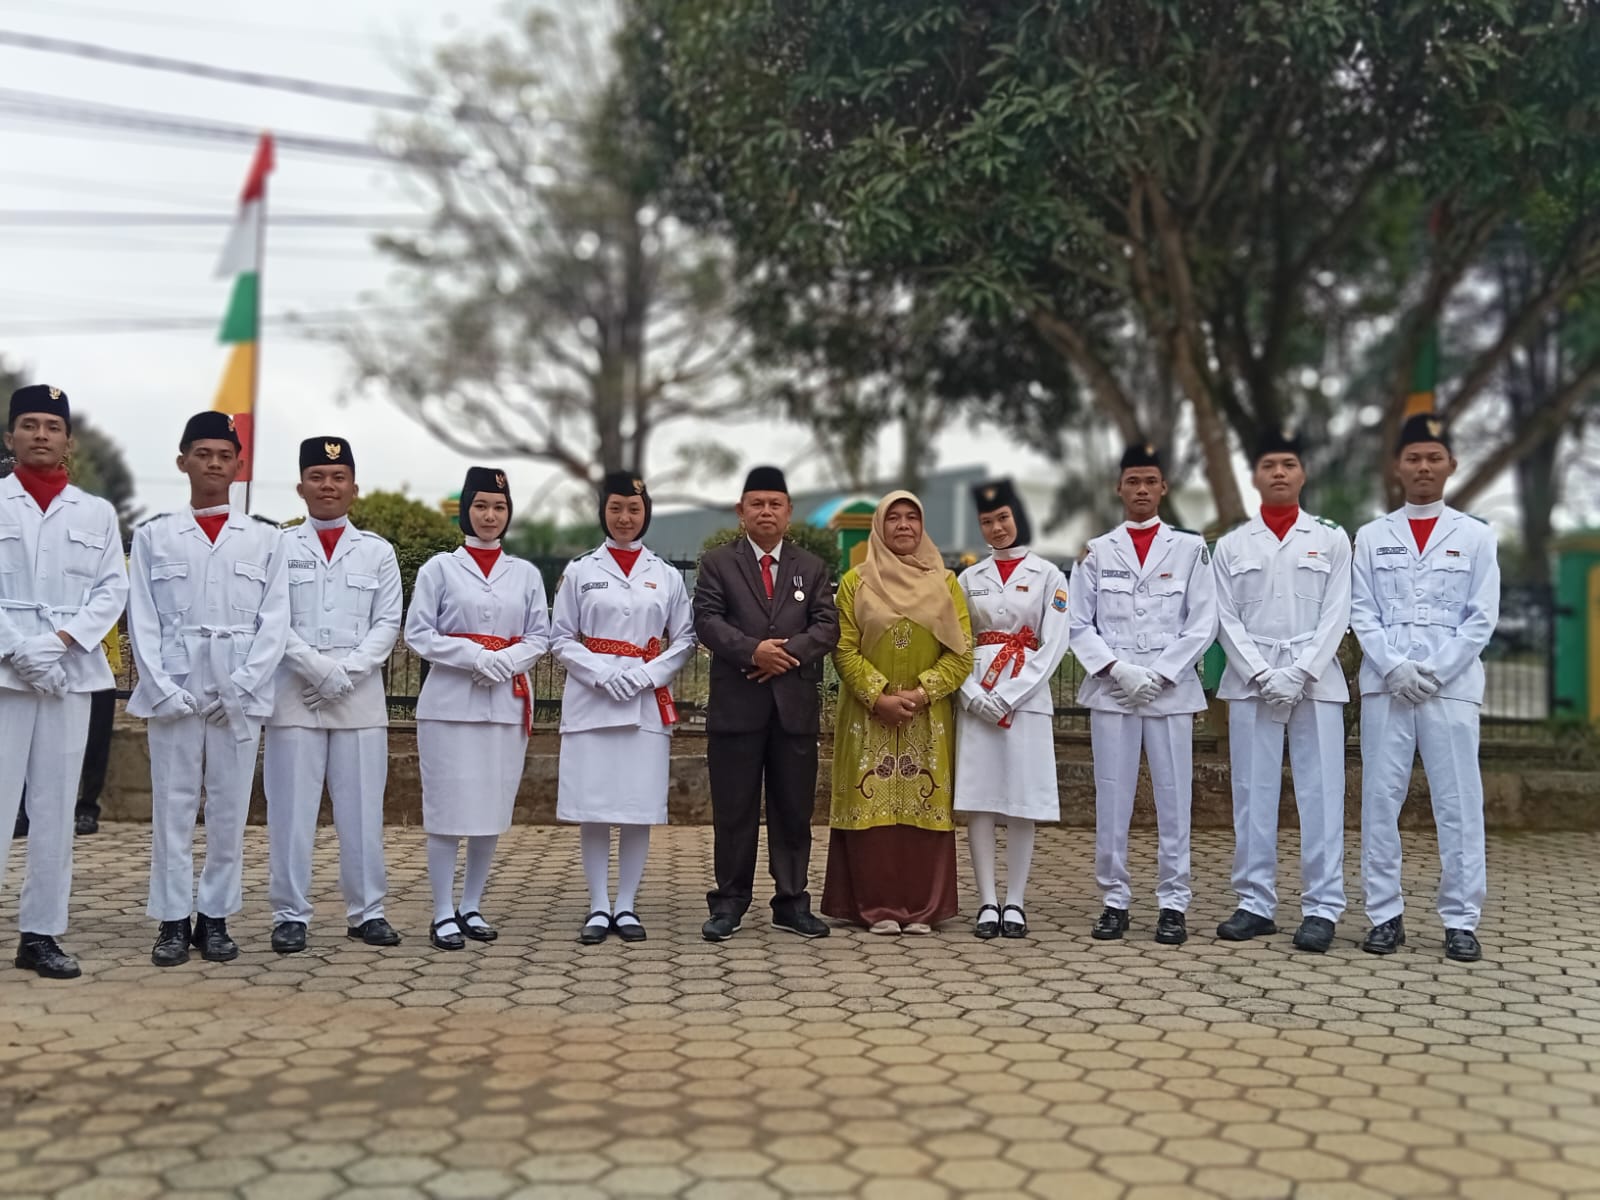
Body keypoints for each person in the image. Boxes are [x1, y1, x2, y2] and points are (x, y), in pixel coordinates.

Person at [127, 411, 290, 967]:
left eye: (224, 456)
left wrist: (243, 685)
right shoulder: (154, 536)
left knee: (229, 806)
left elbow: (275, 621)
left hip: (237, 691)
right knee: (172, 806)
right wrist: (161, 687)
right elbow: (142, 619)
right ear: (183, 462)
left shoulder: (266, 538)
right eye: (203, 454)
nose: (214, 464)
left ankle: (215, 917)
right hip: (175, 687)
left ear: (239, 465)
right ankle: (173, 919)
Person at [1351, 414, 1500, 963]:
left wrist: (1433, 671)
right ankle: (1384, 915)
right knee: (1380, 801)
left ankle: (1461, 919)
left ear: (1451, 465)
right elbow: (1361, 612)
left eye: (1434, 458)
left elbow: (1481, 618)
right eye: (1413, 457)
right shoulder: (1372, 536)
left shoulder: (1476, 535)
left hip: (1450, 688)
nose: (1423, 467)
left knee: (1458, 803)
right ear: (1397, 466)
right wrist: (1394, 668)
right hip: (1386, 686)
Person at [0, 384, 128, 978]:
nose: (41, 435)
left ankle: (41, 933)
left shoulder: (95, 513)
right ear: (10, 436)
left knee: (54, 808)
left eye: (52, 426)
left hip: (68, 676)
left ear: (69, 441)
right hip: (5, 674)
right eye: (29, 424)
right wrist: (18, 649)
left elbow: (111, 589)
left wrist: (58, 643)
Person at [1068, 444, 1218, 946]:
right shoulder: (1096, 551)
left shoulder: (1190, 549)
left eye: (1150, 481)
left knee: (1175, 798)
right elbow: (1078, 624)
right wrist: (1118, 670)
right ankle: (1114, 900)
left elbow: (1202, 622)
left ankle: (1173, 903)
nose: (1141, 490)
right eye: (1132, 481)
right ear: (1119, 488)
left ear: (1164, 488)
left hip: (1169, 692)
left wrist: (1160, 673)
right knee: (1112, 795)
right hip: (1114, 691)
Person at [1212, 430, 1352, 953]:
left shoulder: (1331, 538)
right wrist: (1261, 673)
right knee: (1252, 792)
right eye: (1268, 464)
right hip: (1252, 684)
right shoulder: (1232, 545)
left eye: (1288, 464)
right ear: (1255, 475)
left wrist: (1299, 672)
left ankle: (1322, 908)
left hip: (1315, 682)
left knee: (1322, 794)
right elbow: (1224, 617)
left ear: (1302, 474)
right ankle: (1254, 902)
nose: (1278, 473)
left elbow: (1338, 612)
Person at [263, 437, 404, 954]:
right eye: (318, 477)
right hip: (294, 696)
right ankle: (289, 914)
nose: (328, 486)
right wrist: (316, 669)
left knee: (363, 813)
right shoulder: (278, 546)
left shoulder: (378, 551)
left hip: (358, 699)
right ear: (301, 486)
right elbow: (271, 619)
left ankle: (368, 911)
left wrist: (345, 673)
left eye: (338, 477)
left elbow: (387, 622)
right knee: (290, 814)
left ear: (354, 488)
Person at [405, 466, 549, 951]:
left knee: (491, 808)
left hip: (504, 704)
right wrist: (474, 657)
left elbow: (540, 635)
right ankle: (442, 911)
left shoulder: (525, 573)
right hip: (449, 704)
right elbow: (418, 633)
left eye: (499, 507)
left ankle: (471, 904)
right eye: (481, 506)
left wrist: (506, 661)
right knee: (448, 809)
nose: (490, 516)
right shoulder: (439, 569)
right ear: (465, 510)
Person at [694, 466, 838, 942]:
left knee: (793, 811)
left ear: (789, 512)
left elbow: (827, 625)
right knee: (734, 812)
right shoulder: (718, 563)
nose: (766, 512)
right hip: (736, 707)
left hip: (793, 711)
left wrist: (785, 653)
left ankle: (792, 903)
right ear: (741, 511)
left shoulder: (811, 567)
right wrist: (752, 651)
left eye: (775, 504)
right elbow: (707, 620)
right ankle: (729, 903)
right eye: (756, 504)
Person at [552, 472, 695, 944]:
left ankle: (627, 904)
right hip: (592, 699)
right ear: (603, 512)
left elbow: (686, 638)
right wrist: (601, 673)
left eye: (634, 509)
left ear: (646, 513)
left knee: (636, 806)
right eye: (616, 508)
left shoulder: (666, 574)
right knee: (593, 806)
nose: (625, 518)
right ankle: (598, 905)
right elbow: (560, 637)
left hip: (644, 701)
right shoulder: (580, 571)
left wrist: (647, 675)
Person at [822, 491, 973, 935]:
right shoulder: (856, 583)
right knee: (870, 805)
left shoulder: (946, 584)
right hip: (867, 716)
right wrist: (878, 696)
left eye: (912, 517)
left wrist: (923, 694)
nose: (904, 525)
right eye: (894, 518)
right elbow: (843, 648)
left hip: (927, 719)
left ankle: (921, 909)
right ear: (880, 527)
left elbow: (962, 653)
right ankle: (874, 908)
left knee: (922, 803)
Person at [953, 479, 1071, 940]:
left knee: (1022, 800)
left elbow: (1054, 643)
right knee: (980, 800)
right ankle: (986, 900)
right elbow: (954, 643)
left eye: (1003, 517)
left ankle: (1016, 901)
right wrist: (970, 693)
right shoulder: (968, 579)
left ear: (1018, 515)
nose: (997, 528)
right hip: (977, 697)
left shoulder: (1049, 575)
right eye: (987, 521)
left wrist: (1010, 694)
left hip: (1026, 697)